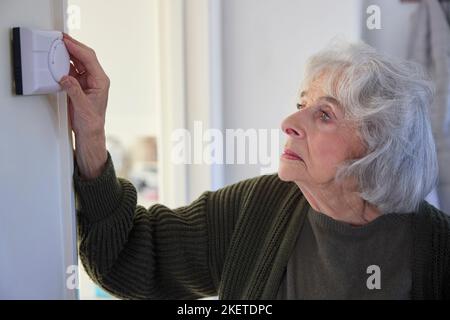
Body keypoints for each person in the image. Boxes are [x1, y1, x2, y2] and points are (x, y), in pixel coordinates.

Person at [60, 33, 450, 300]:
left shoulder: (438, 251)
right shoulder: (257, 209)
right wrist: (92, 137)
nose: (289, 124)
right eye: (302, 106)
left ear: (377, 145)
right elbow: (125, 257)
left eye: (325, 114)